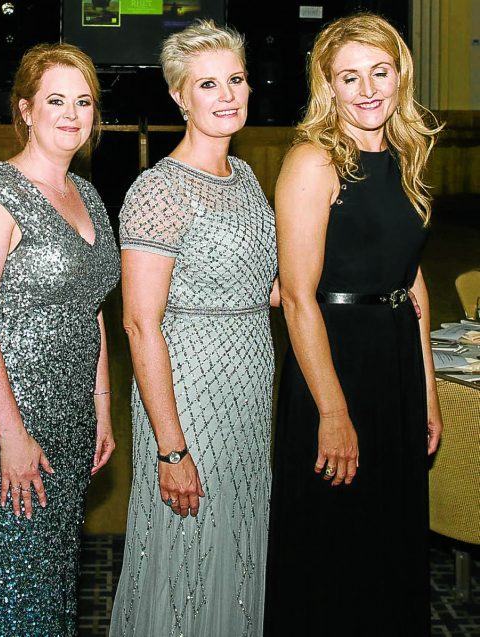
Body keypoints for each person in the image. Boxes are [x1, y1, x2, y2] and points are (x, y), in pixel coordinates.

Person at [265, 13, 443, 636]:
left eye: (380, 72)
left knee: (387, 536)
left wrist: (426, 387)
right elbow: (296, 296)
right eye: (349, 76)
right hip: (333, 361)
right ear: (328, 86)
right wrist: (333, 413)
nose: (367, 89)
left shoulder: (407, 153)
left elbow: (411, 279)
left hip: (393, 357)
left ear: (401, 75)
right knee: (335, 543)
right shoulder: (314, 162)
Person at [0, 43, 119, 635]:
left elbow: (90, 310)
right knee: (4, 584)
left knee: (49, 577)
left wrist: (102, 411)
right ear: (26, 111)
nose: (71, 113)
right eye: (55, 100)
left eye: (83, 101)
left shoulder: (86, 196)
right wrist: (10, 436)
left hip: (68, 418)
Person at [110, 20, 278, 636]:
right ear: (180, 96)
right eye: (209, 84)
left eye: (235, 79)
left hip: (250, 387)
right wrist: (171, 447)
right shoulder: (158, 190)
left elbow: (268, 288)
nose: (228, 94)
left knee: (237, 540)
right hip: (189, 391)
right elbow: (139, 324)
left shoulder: (248, 178)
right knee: (189, 548)